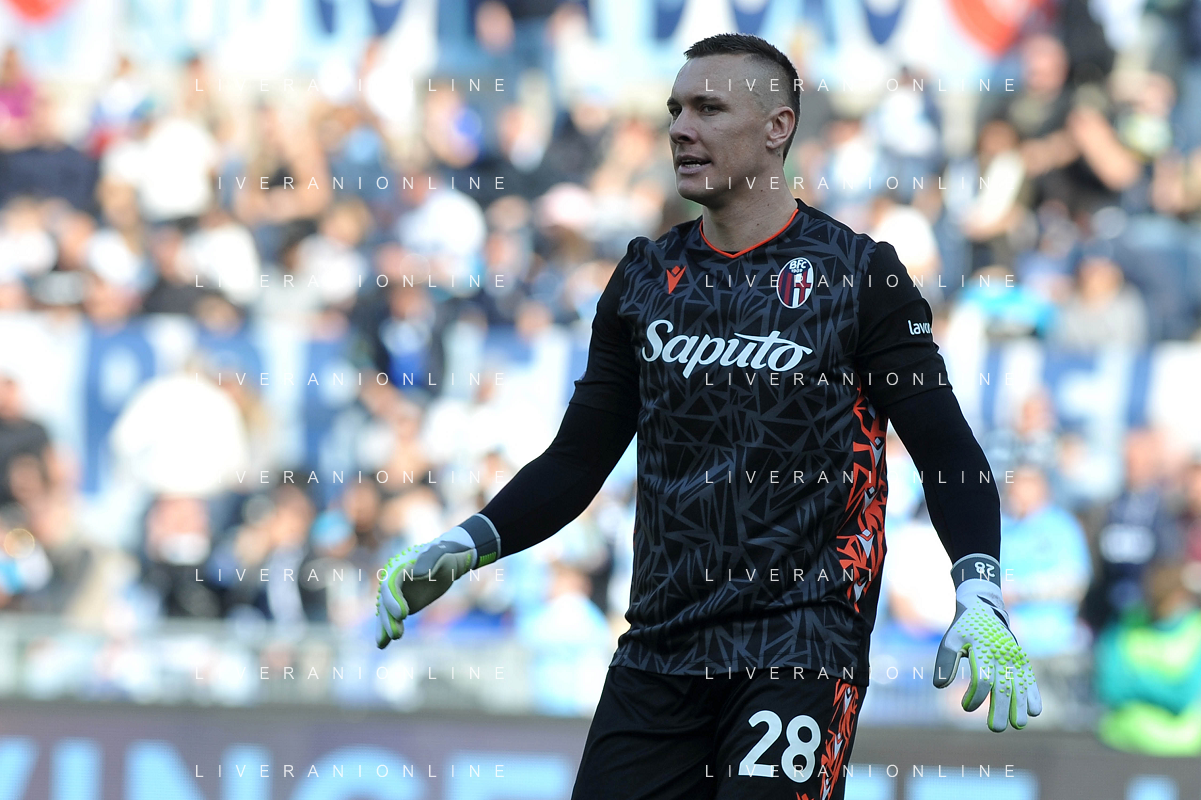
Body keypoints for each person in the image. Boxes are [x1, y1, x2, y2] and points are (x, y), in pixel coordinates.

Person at [375, 33, 1042, 800]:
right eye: (674, 110)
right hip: (658, 649)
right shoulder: (643, 277)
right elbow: (577, 459)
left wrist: (978, 587)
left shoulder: (860, 275)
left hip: (799, 646)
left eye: (707, 108)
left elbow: (946, 449)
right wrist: (466, 543)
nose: (680, 129)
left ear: (777, 127)